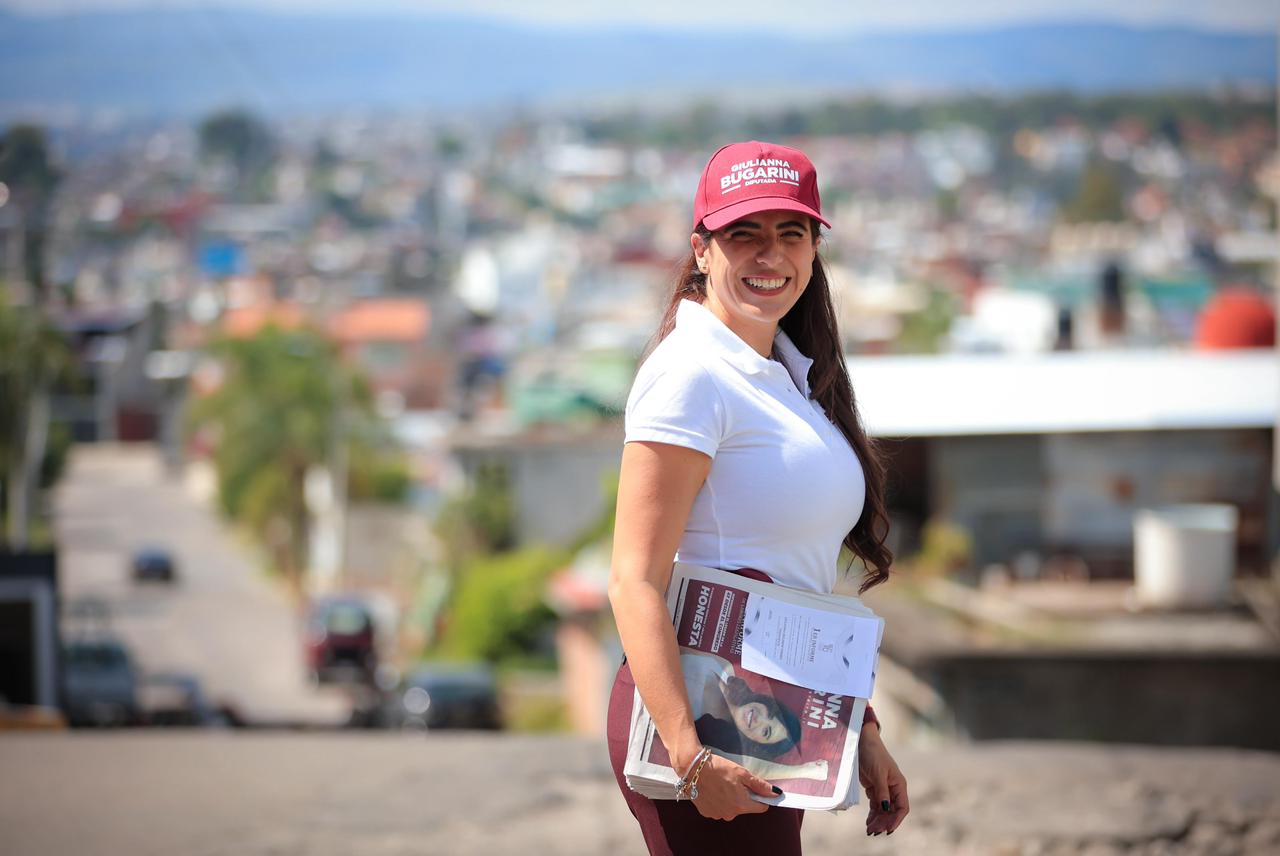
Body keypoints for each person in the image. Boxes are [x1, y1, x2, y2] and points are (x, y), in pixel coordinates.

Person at [606, 140, 910, 855]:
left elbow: (796, 578)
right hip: (707, 726)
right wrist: (690, 757)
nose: (770, 254)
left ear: (813, 250)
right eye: (744, 232)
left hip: (775, 715)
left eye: (791, 233)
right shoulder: (691, 374)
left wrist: (858, 729)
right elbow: (632, 579)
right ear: (701, 249)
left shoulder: (787, 377)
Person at [679, 649, 828, 783]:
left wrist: (803, 771)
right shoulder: (725, 667)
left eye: (765, 731)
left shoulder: (700, 739)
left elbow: (750, 767)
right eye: (769, 713)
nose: (759, 719)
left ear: (753, 743)